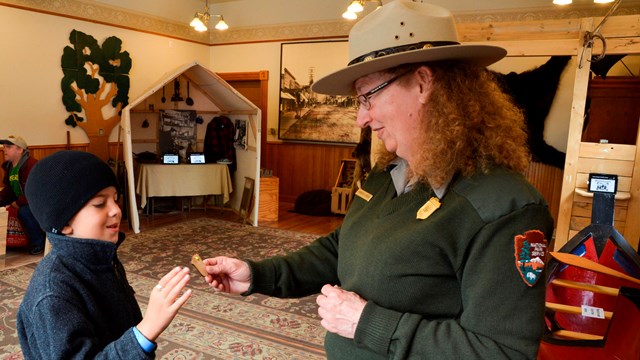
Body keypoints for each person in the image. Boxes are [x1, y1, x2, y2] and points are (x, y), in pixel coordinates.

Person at [203, 1, 554, 359]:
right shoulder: (388, 176)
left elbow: (502, 352)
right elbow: (343, 248)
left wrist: (366, 323)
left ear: (422, 83)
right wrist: (257, 275)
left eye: (368, 97)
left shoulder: (505, 209)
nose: (361, 119)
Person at [17, 150, 192, 359]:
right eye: (100, 204)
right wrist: (145, 332)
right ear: (64, 223)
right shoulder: (53, 293)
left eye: (115, 199)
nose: (116, 210)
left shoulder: (101, 258)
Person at [0, 135, 46, 254]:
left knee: (24, 211)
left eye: (9, 147)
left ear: (20, 150)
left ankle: (39, 243)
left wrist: (18, 203)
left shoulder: (31, 165)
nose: (4, 149)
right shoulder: (10, 167)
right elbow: (10, 188)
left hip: (40, 201)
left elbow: (35, 191)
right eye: (3, 146)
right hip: (26, 200)